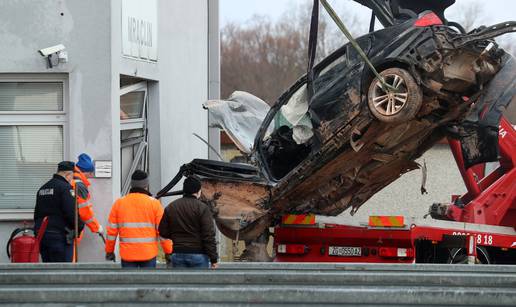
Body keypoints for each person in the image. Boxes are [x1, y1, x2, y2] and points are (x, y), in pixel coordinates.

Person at [105, 170, 173, 268]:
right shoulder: (154, 204)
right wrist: (168, 251)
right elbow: (163, 232)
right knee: (147, 283)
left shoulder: (119, 203)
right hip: (148, 254)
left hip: (128, 254)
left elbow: (111, 232)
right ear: (146, 185)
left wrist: (109, 251)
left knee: (129, 283)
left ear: (132, 185)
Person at [159, 177, 218, 269]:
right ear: (198, 192)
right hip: (199, 255)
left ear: (184, 191)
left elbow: (162, 231)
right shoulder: (202, 208)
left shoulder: (171, 207)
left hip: (178, 253)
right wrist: (213, 259)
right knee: (199, 283)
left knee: (180, 283)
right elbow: (208, 235)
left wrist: (176, 235)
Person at [34, 161, 84, 262]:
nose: (72, 180)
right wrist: (79, 227)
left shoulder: (42, 188)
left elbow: (37, 214)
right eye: (72, 176)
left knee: (48, 271)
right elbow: (71, 213)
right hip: (59, 237)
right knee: (63, 272)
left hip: (42, 236)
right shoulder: (65, 188)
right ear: (67, 174)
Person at [73, 153, 103, 236]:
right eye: (90, 173)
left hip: (67, 225)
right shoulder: (79, 185)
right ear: (86, 172)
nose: (90, 176)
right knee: (72, 249)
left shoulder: (72, 180)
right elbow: (85, 211)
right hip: (72, 226)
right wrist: (96, 227)